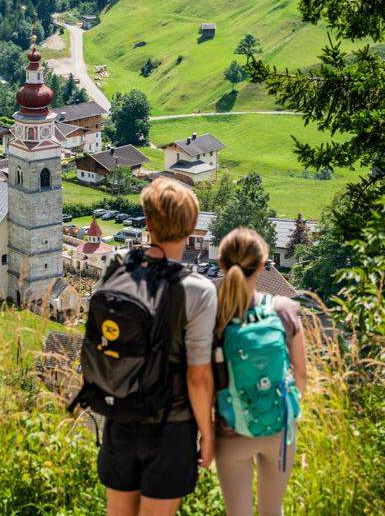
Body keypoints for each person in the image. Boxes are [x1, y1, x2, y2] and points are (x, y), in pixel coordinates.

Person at [99, 177, 218, 516]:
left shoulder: (115, 273)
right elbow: (198, 376)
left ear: (147, 224)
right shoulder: (198, 290)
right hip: (172, 426)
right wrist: (207, 434)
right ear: (191, 227)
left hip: (121, 418)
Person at [211, 228, 308, 516]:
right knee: (272, 510)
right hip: (280, 427)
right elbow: (301, 375)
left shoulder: (214, 314)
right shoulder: (285, 309)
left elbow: (204, 380)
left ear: (222, 266)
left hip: (232, 429)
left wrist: (205, 429)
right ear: (263, 266)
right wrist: (282, 414)